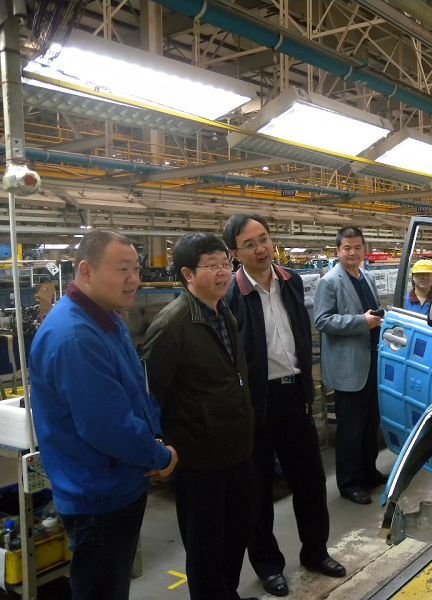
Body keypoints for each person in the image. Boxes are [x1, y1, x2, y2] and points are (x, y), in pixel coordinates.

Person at [29, 230, 177, 600]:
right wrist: (159, 456)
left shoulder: (105, 319)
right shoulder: (76, 335)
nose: (134, 279)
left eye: (136, 269)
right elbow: (107, 426)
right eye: (122, 269)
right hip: (97, 494)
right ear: (86, 271)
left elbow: (134, 392)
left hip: (116, 483)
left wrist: (154, 438)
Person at [223, 214, 346, 597]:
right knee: (257, 490)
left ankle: (315, 551)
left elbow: (301, 335)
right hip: (256, 403)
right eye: (249, 244)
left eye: (264, 238)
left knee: (310, 481)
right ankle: (268, 565)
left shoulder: (291, 281)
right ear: (234, 253)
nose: (261, 249)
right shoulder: (232, 295)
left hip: (295, 397)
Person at [141, 234, 257, 600]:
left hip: (236, 447)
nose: (223, 272)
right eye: (213, 266)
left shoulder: (224, 313)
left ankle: (228, 594)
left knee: (235, 533)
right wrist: (160, 446)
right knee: (205, 545)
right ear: (188, 274)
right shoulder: (172, 324)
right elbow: (152, 393)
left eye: (226, 264)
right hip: (199, 457)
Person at [313, 226, 386, 505]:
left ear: (364, 249)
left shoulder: (367, 277)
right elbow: (322, 320)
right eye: (347, 248)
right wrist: (361, 322)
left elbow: (372, 311)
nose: (353, 253)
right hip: (348, 367)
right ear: (338, 251)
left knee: (370, 424)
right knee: (351, 429)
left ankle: (368, 471)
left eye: (357, 247)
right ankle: (349, 483)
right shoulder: (329, 281)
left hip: (372, 361)